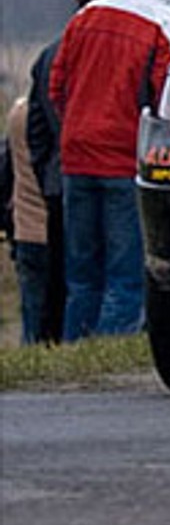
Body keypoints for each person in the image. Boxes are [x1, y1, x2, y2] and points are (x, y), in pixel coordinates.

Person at [50, 0, 170, 340]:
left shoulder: (87, 16)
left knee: (81, 274)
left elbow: (57, 86)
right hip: (124, 162)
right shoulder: (169, 28)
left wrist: (77, 127)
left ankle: (74, 348)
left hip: (76, 158)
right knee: (125, 274)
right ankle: (110, 349)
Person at [22, 0, 126, 344]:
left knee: (70, 279)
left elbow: (37, 128)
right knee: (120, 269)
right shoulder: (121, 44)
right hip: (114, 166)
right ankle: (111, 343)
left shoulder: (51, 53)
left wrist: (47, 170)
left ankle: (68, 345)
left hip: (60, 178)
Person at [7, 95, 58, 343]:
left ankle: (31, 349)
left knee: (31, 313)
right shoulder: (57, 116)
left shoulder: (18, 115)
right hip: (51, 229)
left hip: (24, 228)